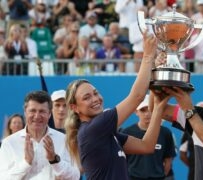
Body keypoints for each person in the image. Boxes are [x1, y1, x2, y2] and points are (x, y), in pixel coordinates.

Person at [64, 33, 172, 179]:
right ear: (74, 108)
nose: (95, 99)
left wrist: (158, 108)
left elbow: (147, 146)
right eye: (87, 97)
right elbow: (137, 96)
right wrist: (147, 56)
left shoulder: (106, 133)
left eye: (96, 93)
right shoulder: (95, 128)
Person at [0, 91, 80, 179]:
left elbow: (75, 176)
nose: (37, 116)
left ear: (49, 114)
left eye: (42, 111)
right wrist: (26, 163)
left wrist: (55, 160)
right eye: (32, 111)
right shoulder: (9, 143)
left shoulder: (64, 140)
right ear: (25, 112)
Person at [121, 95, 176, 180]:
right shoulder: (126, 133)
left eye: (150, 110)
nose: (147, 114)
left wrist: (161, 175)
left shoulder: (165, 133)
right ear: (136, 112)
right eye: (143, 110)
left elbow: (168, 159)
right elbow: (122, 160)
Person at [179, 101, 203, 180]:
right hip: (194, 174)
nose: (202, 113)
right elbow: (182, 155)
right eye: (200, 111)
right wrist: (193, 165)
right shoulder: (188, 132)